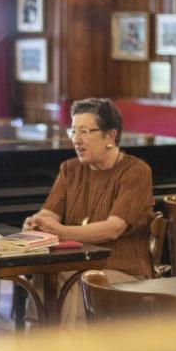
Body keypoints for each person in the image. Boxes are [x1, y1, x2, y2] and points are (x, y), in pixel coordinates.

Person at [23, 97, 154, 329]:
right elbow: (49, 214)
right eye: (73, 131)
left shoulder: (135, 172)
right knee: (46, 275)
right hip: (76, 263)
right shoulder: (70, 169)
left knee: (73, 281)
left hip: (121, 269)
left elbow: (113, 229)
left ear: (110, 136)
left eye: (84, 131)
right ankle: (43, 345)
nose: (76, 139)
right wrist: (36, 223)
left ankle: (69, 349)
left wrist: (62, 232)